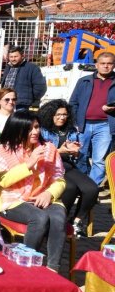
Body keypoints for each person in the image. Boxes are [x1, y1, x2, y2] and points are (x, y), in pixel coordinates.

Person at [0, 110, 67, 272]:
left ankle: (53, 269)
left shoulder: (49, 149)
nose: (35, 132)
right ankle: (26, 266)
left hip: (44, 196)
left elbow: (60, 179)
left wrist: (49, 194)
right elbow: (5, 182)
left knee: (58, 218)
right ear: (17, 129)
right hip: (13, 199)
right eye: (30, 129)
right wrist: (29, 163)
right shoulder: (3, 151)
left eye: (37, 127)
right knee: (39, 218)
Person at [38, 100, 97, 237]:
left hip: (68, 166)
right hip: (50, 167)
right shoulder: (42, 131)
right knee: (69, 188)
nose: (62, 117)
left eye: (65, 114)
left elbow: (76, 154)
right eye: (58, 114)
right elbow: (42, 154)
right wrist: (60, 151)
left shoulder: (71, 130)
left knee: (92, 189)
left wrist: (75, 152)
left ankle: (77, 220)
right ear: (50, 115)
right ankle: (59, 220)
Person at [68, 51, 115, 186]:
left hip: (105, 125)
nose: (106, 66)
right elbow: (73, 103)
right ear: (96, 65)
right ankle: (80, 185)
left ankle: (91, 189)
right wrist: (75, 121)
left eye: (109, 64)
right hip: (83, 125)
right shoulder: (84, 81)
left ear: (113, 65)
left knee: (99, 160)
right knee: (79, 156)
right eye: (103, 63)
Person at [0, 46, 46, 110]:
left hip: (21, 105)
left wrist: (31, 99)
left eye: (16, 56)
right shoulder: (8, 67)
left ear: (22, 56)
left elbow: (40, 87)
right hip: (6, 102)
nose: (13, 59)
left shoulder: (32, 68)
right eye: (11, 57)